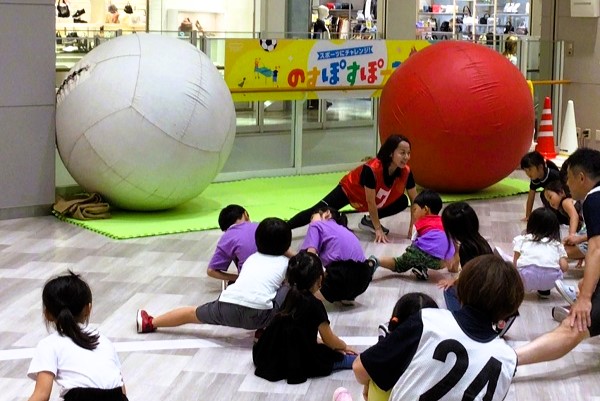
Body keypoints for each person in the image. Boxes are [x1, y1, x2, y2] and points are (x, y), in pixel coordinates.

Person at [353, 255, 524, 401]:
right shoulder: (508, 359)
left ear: (461, 290)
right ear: (507, 312)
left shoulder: (429, 319)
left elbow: (360, 368)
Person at [516, 148, 600, 365]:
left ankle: (506, 360)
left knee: (574, 326)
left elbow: (597, 248)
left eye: (569, 179)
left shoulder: (594, 199)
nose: (567, 186)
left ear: (581, 178)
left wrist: (585, 299)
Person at [136, 217, 291, 334]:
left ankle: (151, 322)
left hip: (227, 304)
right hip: (260, 315)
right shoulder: (286, 263)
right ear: (287, 244)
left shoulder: (252, 258)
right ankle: (268, 331)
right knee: (290, 287)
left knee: (191, 313)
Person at [287, 134, 417, 244]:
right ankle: (285, 227)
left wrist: (414, 227)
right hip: (349, 192)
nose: (406, 157)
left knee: (402, 201)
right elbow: (370, 202)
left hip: (374, 200)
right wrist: (378, 229)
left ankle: (369, 221)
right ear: (390, 153)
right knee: (317, 211)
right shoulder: (372, 169)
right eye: (402, 153)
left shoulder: (406, 171)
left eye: (409, 153)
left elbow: (415, 201)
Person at [252, 251, 356, 384]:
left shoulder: (288, 295)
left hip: (272, 351)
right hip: (299, 357)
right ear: (319, 280)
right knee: (348, 358)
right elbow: (329, 339)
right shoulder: (315, 305)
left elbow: (298, 329)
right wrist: (344, 346)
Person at [27, 271, 128, 401]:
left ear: (47, 313)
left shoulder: (49, 344)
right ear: (88, 309)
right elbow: (122, 389)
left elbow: (41, 395)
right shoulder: (103, 340)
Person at [369, 189, 455, 280]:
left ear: (425, 209)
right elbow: (453, 242)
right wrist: (453, 267)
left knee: (399, 264)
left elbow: (414, 244)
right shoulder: (444, 222)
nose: (413, 213)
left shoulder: (420, 223)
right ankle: (420, 268)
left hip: (419, 253)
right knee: (424, 251)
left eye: (415, 209)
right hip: (441, 263)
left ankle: (376, 261)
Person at [300, 206, 375, 304]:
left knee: (303, 278)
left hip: (341, 276)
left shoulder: (316, 225)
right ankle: (346, 296)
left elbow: (310, 256)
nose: (310, 222)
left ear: (327, 214)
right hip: (363, 279)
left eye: (312, 217)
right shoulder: (345, 230)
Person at [437, 201, 493, 311]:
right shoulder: (479, 241)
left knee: (449, 291)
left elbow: (470, 279)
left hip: (480, 299)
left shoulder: (466, 248)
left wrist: (456, 282)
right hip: (489, 290)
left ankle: (460, 316)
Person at [513, 207, 569, 299]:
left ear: (530, 224)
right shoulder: (557, 244)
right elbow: (564, 267)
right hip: (551, 280)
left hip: (526, 277)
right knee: (553, 269)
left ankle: (518, 289)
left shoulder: (522, 239)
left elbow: (515, 263)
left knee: (516, 265)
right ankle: (544, 290)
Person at [206, 204, 258, 285]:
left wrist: (237, 278)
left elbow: (211, 271)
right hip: (279, 276)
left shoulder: (227, 237)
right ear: (245, 214)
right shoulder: (261, 225)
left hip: (251, 281)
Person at [544, 180, 587, 265]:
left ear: (561, 192)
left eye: (550, 197)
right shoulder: (564, 205)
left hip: (587, 233)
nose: (550, 203)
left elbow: (574, 216)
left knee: (560, 251)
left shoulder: (565, 202)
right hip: (584, 233)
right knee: (562, 249)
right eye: (547, 201)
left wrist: (572, 235)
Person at [520, 150, 560, 221]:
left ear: (540, 167)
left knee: (546, 194)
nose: (528, 173)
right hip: (553, 199)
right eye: (526, 171)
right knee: (543, 195)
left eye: (530, 169)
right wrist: (528, 216)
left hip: (562, 197)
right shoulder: (535, 179)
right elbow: (531, 197)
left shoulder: (553, 175)